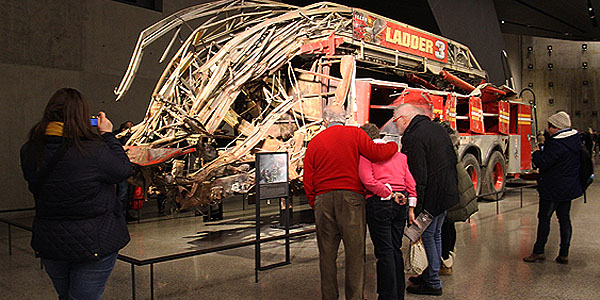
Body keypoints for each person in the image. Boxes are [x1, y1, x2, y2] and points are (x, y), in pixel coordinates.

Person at [20, 88, 133, 300]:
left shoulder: (29, 150)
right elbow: (124, 169)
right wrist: (108, 135)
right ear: (81, 117)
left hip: (50, 240)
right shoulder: (93, 151)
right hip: (93, 240)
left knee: (66, 295)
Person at [303, 105, 398, 300]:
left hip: (323, 199)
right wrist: (394, 146)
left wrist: (315, 202)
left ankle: (329, 297)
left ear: (325, 121)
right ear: (344, 119)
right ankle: (354, 297)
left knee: (327, 255)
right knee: (355, 254)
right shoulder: (354, 134)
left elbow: (308, 178)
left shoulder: (314, 142)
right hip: (351, 199)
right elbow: (376, 153)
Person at [393, 103, 458, 296]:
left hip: (430, 196)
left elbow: (417, 175)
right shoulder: (436, 128)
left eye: (396, 121)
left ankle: (432, 282)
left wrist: (415, 205)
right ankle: (428, 272)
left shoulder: (413, 137)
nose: (396, 125)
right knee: (436, 234)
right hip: (445, 193)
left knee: (428, 236)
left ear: (404, 119)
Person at [357, 123, 417, 300]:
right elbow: (410, 183)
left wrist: (388, 193)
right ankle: (399, 293)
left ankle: (387, 295)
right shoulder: (399, 156)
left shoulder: (367, 156)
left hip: (380, 203)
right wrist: (411, 205)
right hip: (401, 203)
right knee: (395, 249)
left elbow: (367, 180)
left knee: (384, 251)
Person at [523, 111, 582, 265]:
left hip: (552, 188)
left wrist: (536, 153)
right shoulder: (574, 141)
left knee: (544, 219)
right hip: (568, 188)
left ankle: (539, 251)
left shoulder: (557, 144)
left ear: (557, 127)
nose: (548, 129)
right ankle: (564, 253)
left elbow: (543, 162)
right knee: (564, 220)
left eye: (550, 126)